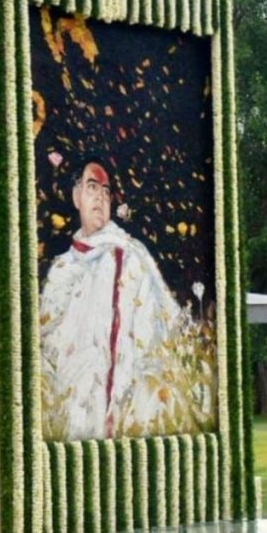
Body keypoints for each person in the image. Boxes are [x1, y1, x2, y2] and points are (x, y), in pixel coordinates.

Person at [39, 157, 214, 442]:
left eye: (106, 192)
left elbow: (154, 328)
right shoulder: (61, 268)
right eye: (92, 187)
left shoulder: (128, 255)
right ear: (76, 196)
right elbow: (47, 339)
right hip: (70, 402)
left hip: (119, 401)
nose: (100, 197)